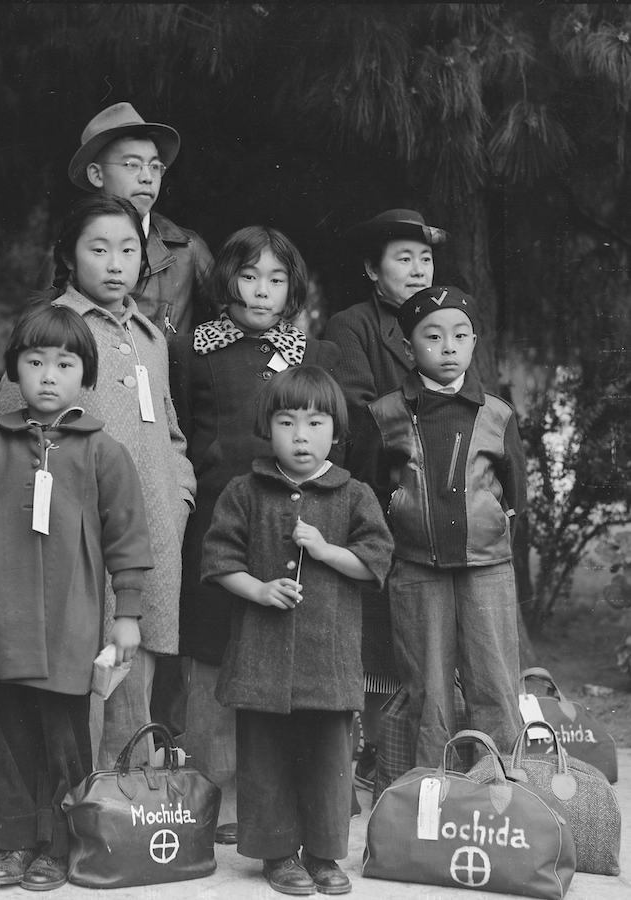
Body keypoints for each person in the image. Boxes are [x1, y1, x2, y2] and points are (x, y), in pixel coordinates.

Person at [0, 304, 154, 891]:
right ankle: (13, 842)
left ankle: (58, 846)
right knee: (3, 739)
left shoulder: (104, 452)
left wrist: (128, 615)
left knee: (65, 741)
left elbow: (128, 539)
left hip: (70, 625)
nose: (48, 376)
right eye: (35, 362)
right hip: (0, 624)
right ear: (14, 369)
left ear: (85, 375)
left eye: (64, 364)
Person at [0, 196, 195, 771]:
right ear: (68, 255)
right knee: (82, 676)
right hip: (77, 540)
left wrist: (178, 496)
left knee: (138, 667)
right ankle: (76, 802)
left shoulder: (150, 337)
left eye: (128, 250)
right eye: (99, 249)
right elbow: (12, 425)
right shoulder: (53, 329)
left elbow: (172, 431)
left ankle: (125, 802)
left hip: (151, 536)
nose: (115, 263)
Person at [169, 226, 339, 843]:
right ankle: (207, 795)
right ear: (226, 280)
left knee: (277, 648)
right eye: (248, 276)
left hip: (288, 520)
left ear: (292, 288)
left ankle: (270, 801)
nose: (262, 291)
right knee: (211, 649)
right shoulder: (191, 349)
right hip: (217, 517)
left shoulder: (310, 354)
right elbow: (178, 428)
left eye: (276, 279)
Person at [201, 366, 393, 896]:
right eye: (287, 423)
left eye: (315, 423)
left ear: (337, 430)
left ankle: (324, 855)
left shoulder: (354, 494)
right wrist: (259, 590)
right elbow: (219, 560)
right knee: (266, 757)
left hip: (328, 659)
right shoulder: (245, 491)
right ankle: (279, 854)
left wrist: (327, 551)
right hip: (260, 658)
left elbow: (376, 563)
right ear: (267, 428)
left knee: (328, 759)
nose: (301, 436)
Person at [353, 286, 525, 769]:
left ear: (474, 343)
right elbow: (366, 493)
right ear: (409, 348)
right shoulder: (384, 414)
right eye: (432, 336)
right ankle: (430, 791)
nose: (448, 347)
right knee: (427, 688)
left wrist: (492, 532)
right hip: (415, 569)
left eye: (460, 335)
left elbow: (515, 492)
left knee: (494, 681)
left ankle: (501, 788)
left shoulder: (497, 413)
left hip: (487, 567)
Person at [321, 208, 446, 788]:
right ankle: (375, 753)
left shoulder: (447, 321)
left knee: (430, 635)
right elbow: (359, 415)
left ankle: (424, 756)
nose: (418, 270)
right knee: (379, 638)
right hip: (381, 494)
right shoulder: (353, 327)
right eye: (404, 259)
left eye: (425, 258)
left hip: (444, 499)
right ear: (373, 270)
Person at [52, 101, 213, 335]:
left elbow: (235, 323)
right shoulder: (69, 249)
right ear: (97, 174)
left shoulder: (188, 250)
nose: (147, 177)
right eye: (132, 164)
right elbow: (43, 332)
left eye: (155, 166)